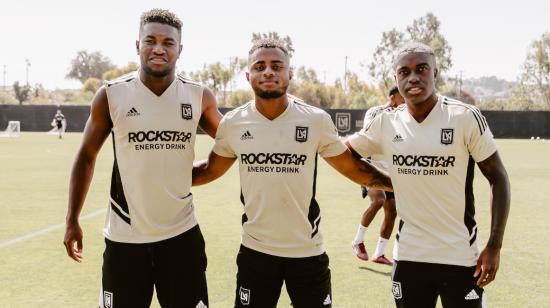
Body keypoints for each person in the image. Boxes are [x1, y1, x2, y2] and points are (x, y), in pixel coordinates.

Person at [192, 38, 392, 308]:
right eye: (260, 66)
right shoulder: (234, 123)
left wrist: (403, 186)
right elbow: (209, 169)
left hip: (307, 253)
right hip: (255, 252)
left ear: (290, 74)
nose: (268, 72)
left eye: (277, 66)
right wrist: (163, 179)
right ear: (248, 75)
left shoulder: (315, 120)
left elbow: (354, 168)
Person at [62, 9, 221, 308]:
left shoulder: (199, 96)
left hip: (182, 237)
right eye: (151, 40)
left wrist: (202, 172)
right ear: (138, 45)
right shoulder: (111, 95)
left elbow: (231, 142)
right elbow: (86, 156)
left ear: (180, 49)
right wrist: (72, 219)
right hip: (125, 241)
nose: (159, 49)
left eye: (168, 43)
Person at [347, 42, 510, 307]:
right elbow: (345, 154)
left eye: (421, 69)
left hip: (460, 256)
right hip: (409, 256)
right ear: (396, 78)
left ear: (435, 73)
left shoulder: (464, 117)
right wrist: (385, 182)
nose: (413, 77)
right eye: (404, 71)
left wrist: (494, 245)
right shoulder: (387, 122)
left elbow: (498, 178)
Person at [352, 86, 404, 265]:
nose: (405, 99)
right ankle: (358, 241)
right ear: (393, 97)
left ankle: (379, 253)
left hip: (390, 170)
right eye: (401, 96)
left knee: (392, 209)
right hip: (371, 166)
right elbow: (369, 136)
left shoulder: (405, 115)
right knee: (378, 200)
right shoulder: (376, 111)